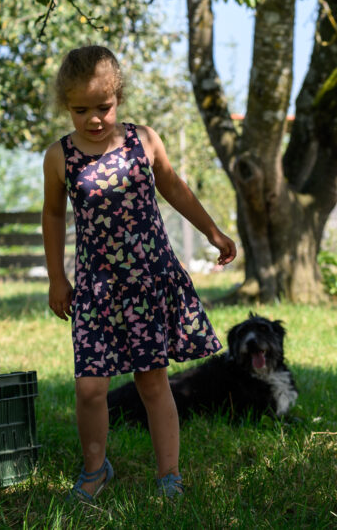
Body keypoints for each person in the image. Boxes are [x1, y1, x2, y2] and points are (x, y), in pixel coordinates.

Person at [42, 45, 236, 502]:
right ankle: (95, 471)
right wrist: (56, 278)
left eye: (103, 107)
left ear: (119, 98)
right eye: (80, 109)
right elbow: (52, 216)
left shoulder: (143, 141)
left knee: (153, 381)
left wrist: (213, 231)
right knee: (91, 388)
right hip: (96, 289)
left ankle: (169, 475)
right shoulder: (60, 157)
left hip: (148, 282)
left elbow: (174, 188)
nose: (93, 118)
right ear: (66, 107)